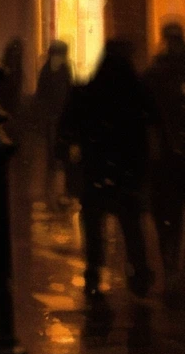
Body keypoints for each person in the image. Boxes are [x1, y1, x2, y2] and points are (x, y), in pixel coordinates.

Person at [57, 39, 155, 299]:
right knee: (131, 224)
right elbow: (153, 123)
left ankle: (94, 272)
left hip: (96, 168)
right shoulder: (135, 90)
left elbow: (67, 128)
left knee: (95, 224)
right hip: (126, 169)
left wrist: (70, 159)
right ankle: (139, 273)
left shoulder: (90, 90)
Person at [144, 22, 185, 294]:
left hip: (165, 155)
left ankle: (171, 260)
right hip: (168, 154)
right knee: (170, 210)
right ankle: (171, 262)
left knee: (168, 211)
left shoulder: (155, 72)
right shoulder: (159, 73)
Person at [33, 40, 73, 207]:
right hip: (55, 118)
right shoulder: (59, 70)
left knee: (57, 155)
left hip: (58, 118)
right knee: (56, 155)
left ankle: (57, 192)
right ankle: (57, 193)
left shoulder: (54, 70)